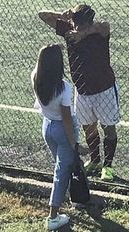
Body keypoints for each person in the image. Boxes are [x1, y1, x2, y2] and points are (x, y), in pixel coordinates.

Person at [38, 4, 120, 181]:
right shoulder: (68, 29)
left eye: (78, 23)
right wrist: (61, 14)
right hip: (82, 90)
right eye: (74, 22)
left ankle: (108, 166)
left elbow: (105, 25)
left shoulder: (99, 33)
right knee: (88, 127)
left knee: (108, 128)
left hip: (104, 89)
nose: (75, 27)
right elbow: (42, 15)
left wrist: (83, 34)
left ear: (87, 22)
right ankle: (95, 160)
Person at [31, 44, 86, 231]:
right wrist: (75, 144)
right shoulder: (64, 88)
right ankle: (53, 216)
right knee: (62, 173)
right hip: (62, 131)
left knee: (61, 168)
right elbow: (67, 120)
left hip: (47, 127)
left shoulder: (36, 77)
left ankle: (72, 198)